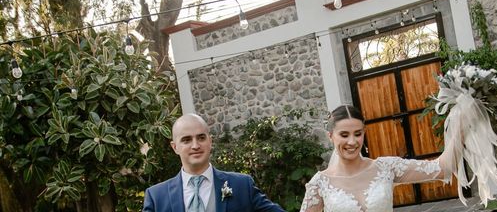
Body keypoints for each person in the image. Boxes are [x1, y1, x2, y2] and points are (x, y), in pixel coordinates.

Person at [299, 105, 459, 212]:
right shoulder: (319, 183)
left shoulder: (386, 167)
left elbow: (442, 168)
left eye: (358, 134)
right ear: (330, 136)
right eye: (344, 135)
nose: (352, 142)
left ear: (364, 132)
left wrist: (462, 125)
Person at [143, 113, 285, 212]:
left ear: (210, 141)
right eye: (186, 140)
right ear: (175, 147)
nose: (195, 145)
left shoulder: (242, 186)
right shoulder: (157, 197)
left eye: (201, 138)